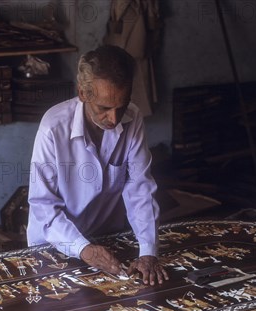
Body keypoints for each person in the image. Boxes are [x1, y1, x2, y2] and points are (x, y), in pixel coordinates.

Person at [27, 45, 168, 286]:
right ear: (83, 93)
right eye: (103, 108)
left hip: (106, 237)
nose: (114, 119)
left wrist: (148, 250)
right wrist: (83, 248)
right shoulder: (53, 127)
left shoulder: (132, 118)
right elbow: (44, 206)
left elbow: (139, 188)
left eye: (121, 106)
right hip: (55, 242)